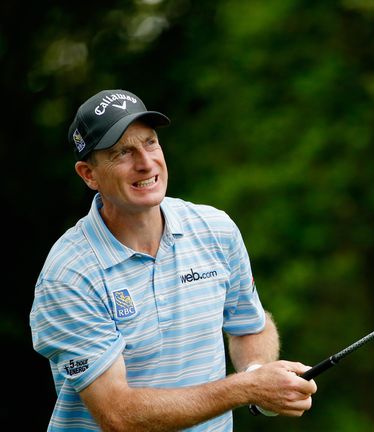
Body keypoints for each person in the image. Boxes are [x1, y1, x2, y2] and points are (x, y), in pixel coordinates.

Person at [30, 89, 317, 431]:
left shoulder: (215, 230)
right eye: (123, 152)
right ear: (89, 174)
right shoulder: (70, 275)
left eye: (150, 143)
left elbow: (250, 324)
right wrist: (246, 388)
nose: (145, 162)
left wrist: (258, 375)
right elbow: (118, 415)